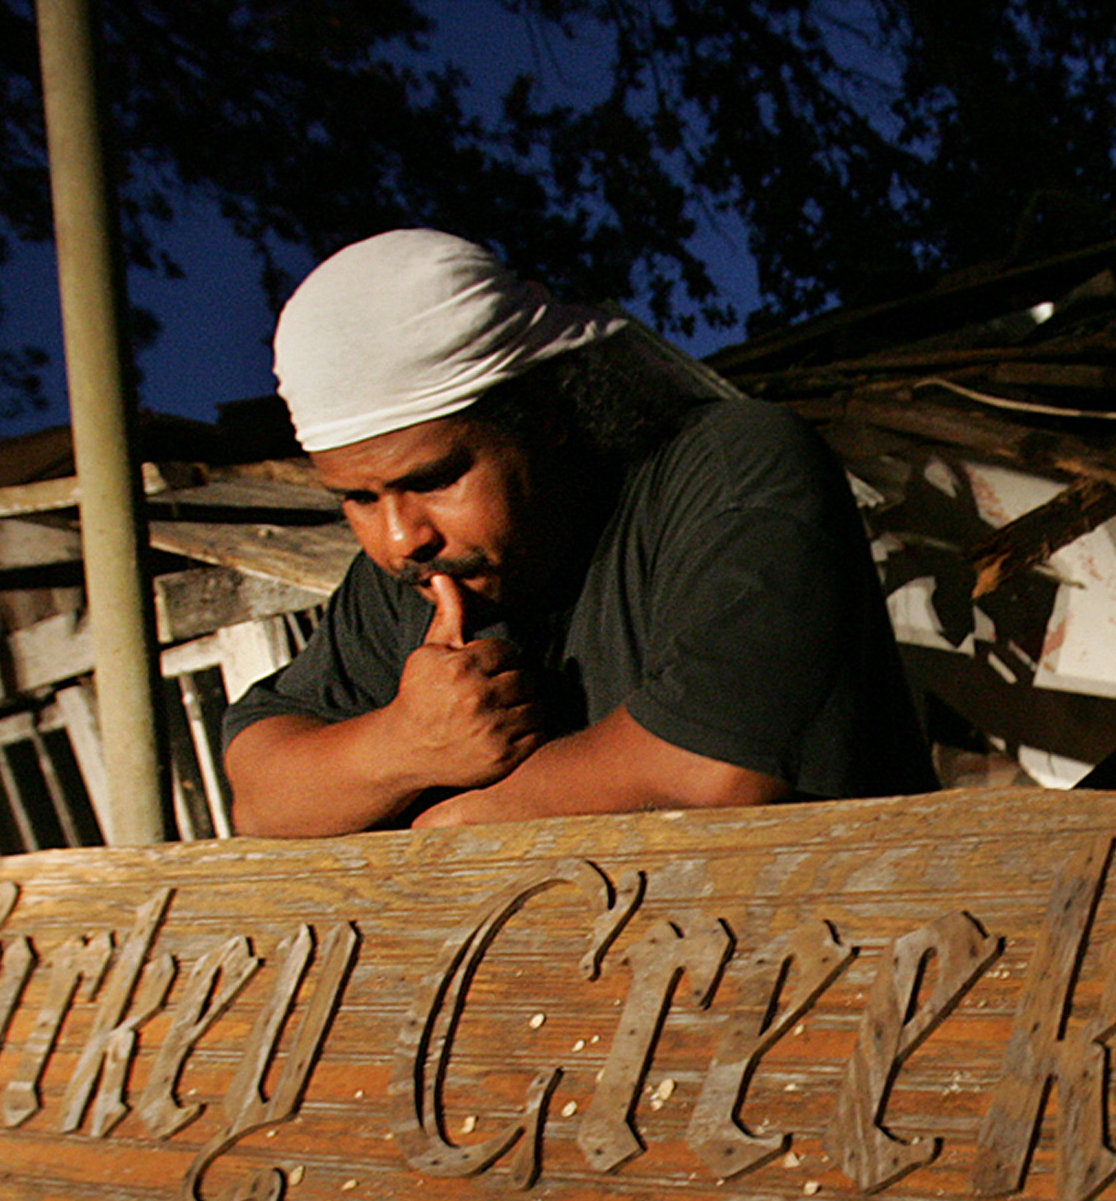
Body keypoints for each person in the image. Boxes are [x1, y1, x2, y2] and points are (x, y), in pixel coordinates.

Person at [222, 230, 931, 835]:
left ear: (544, 417)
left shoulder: (732, 465)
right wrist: (404, 745)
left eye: (436, 479)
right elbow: (260, 797)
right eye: (358, 498)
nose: (401, 537)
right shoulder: (403, 583)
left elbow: (717, 770)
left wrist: (467, 817)